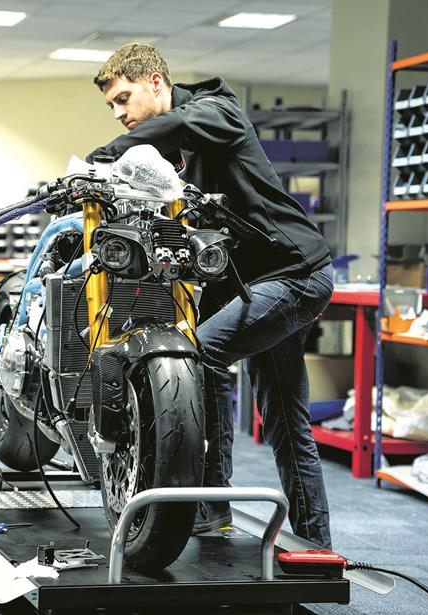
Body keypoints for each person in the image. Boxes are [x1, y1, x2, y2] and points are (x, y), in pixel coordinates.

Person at [88, 44, 334, 549]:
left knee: (195, 358)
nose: (120, 113)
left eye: (124, 98)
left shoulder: (217, 109)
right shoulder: (182, 145)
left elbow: (176, 127)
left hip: (293, 275)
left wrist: (109, 154)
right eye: (111, 106)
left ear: (156, 82)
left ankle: (209, 506)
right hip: (253, 283)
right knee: (288, 423)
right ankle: (318, 548)